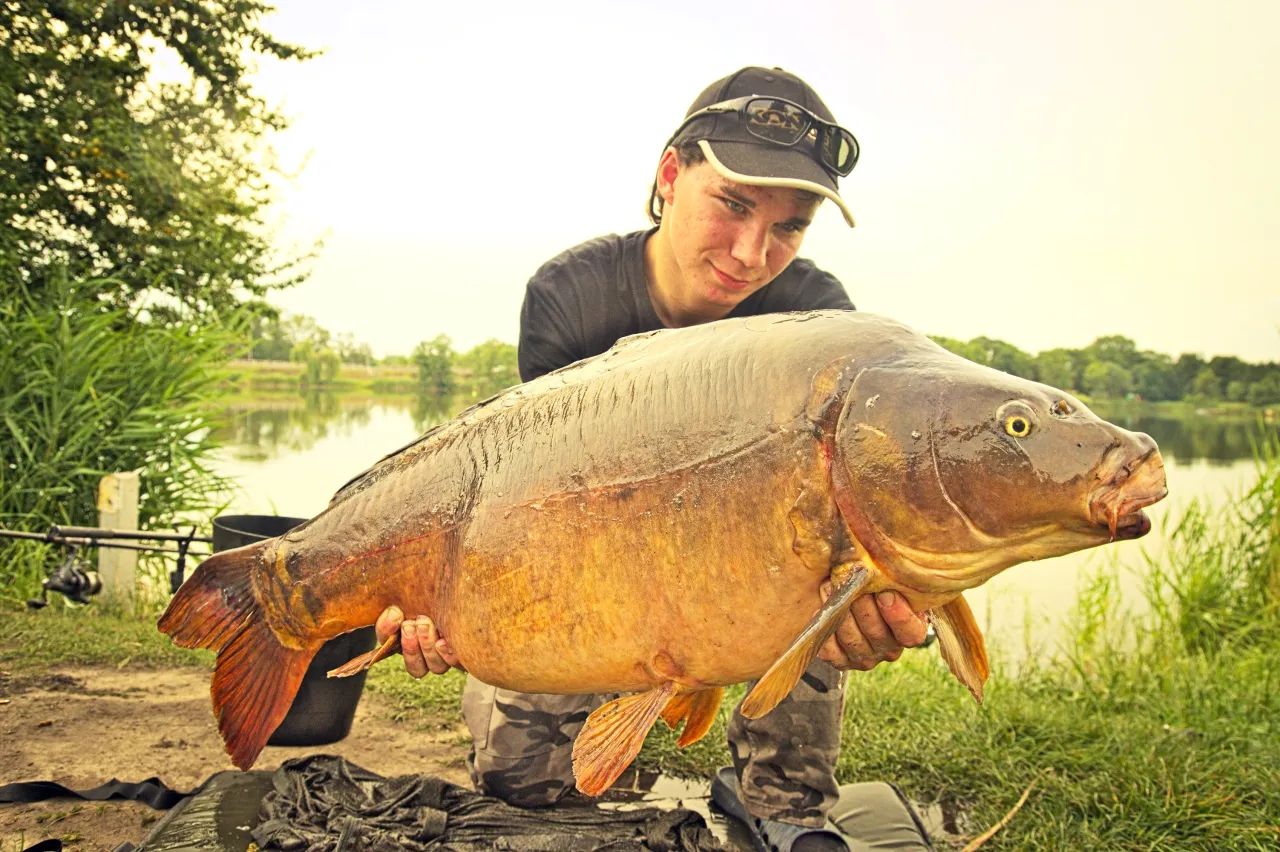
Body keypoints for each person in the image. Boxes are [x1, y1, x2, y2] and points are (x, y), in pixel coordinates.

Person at [376, 67, 932, 851]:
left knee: (823, 565)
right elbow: (535, 510)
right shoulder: (573, 293)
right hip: (595, 556)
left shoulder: (817, 318)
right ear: (671, 176)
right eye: (734, 205)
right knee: (522, 782)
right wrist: (463, 607)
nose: (752, 251)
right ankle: (611, 732)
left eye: (790, 226)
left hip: (761, 562)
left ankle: (777, 793)